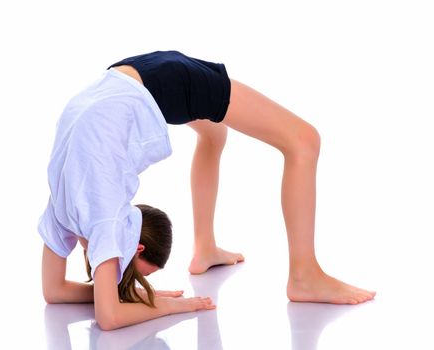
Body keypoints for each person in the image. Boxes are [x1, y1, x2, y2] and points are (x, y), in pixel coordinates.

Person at [39, 50, 375, 331]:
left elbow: (108, 317)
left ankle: (304, 275)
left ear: (137, 247)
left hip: (164, 85)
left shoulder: (107, 222)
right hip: (122, 77)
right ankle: (205, 248)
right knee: (214, 133)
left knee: (303, 141)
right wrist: (141, 296)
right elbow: (53, 291)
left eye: (135, 277)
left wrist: (173, 305)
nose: (120, 280)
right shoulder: (65, 208)